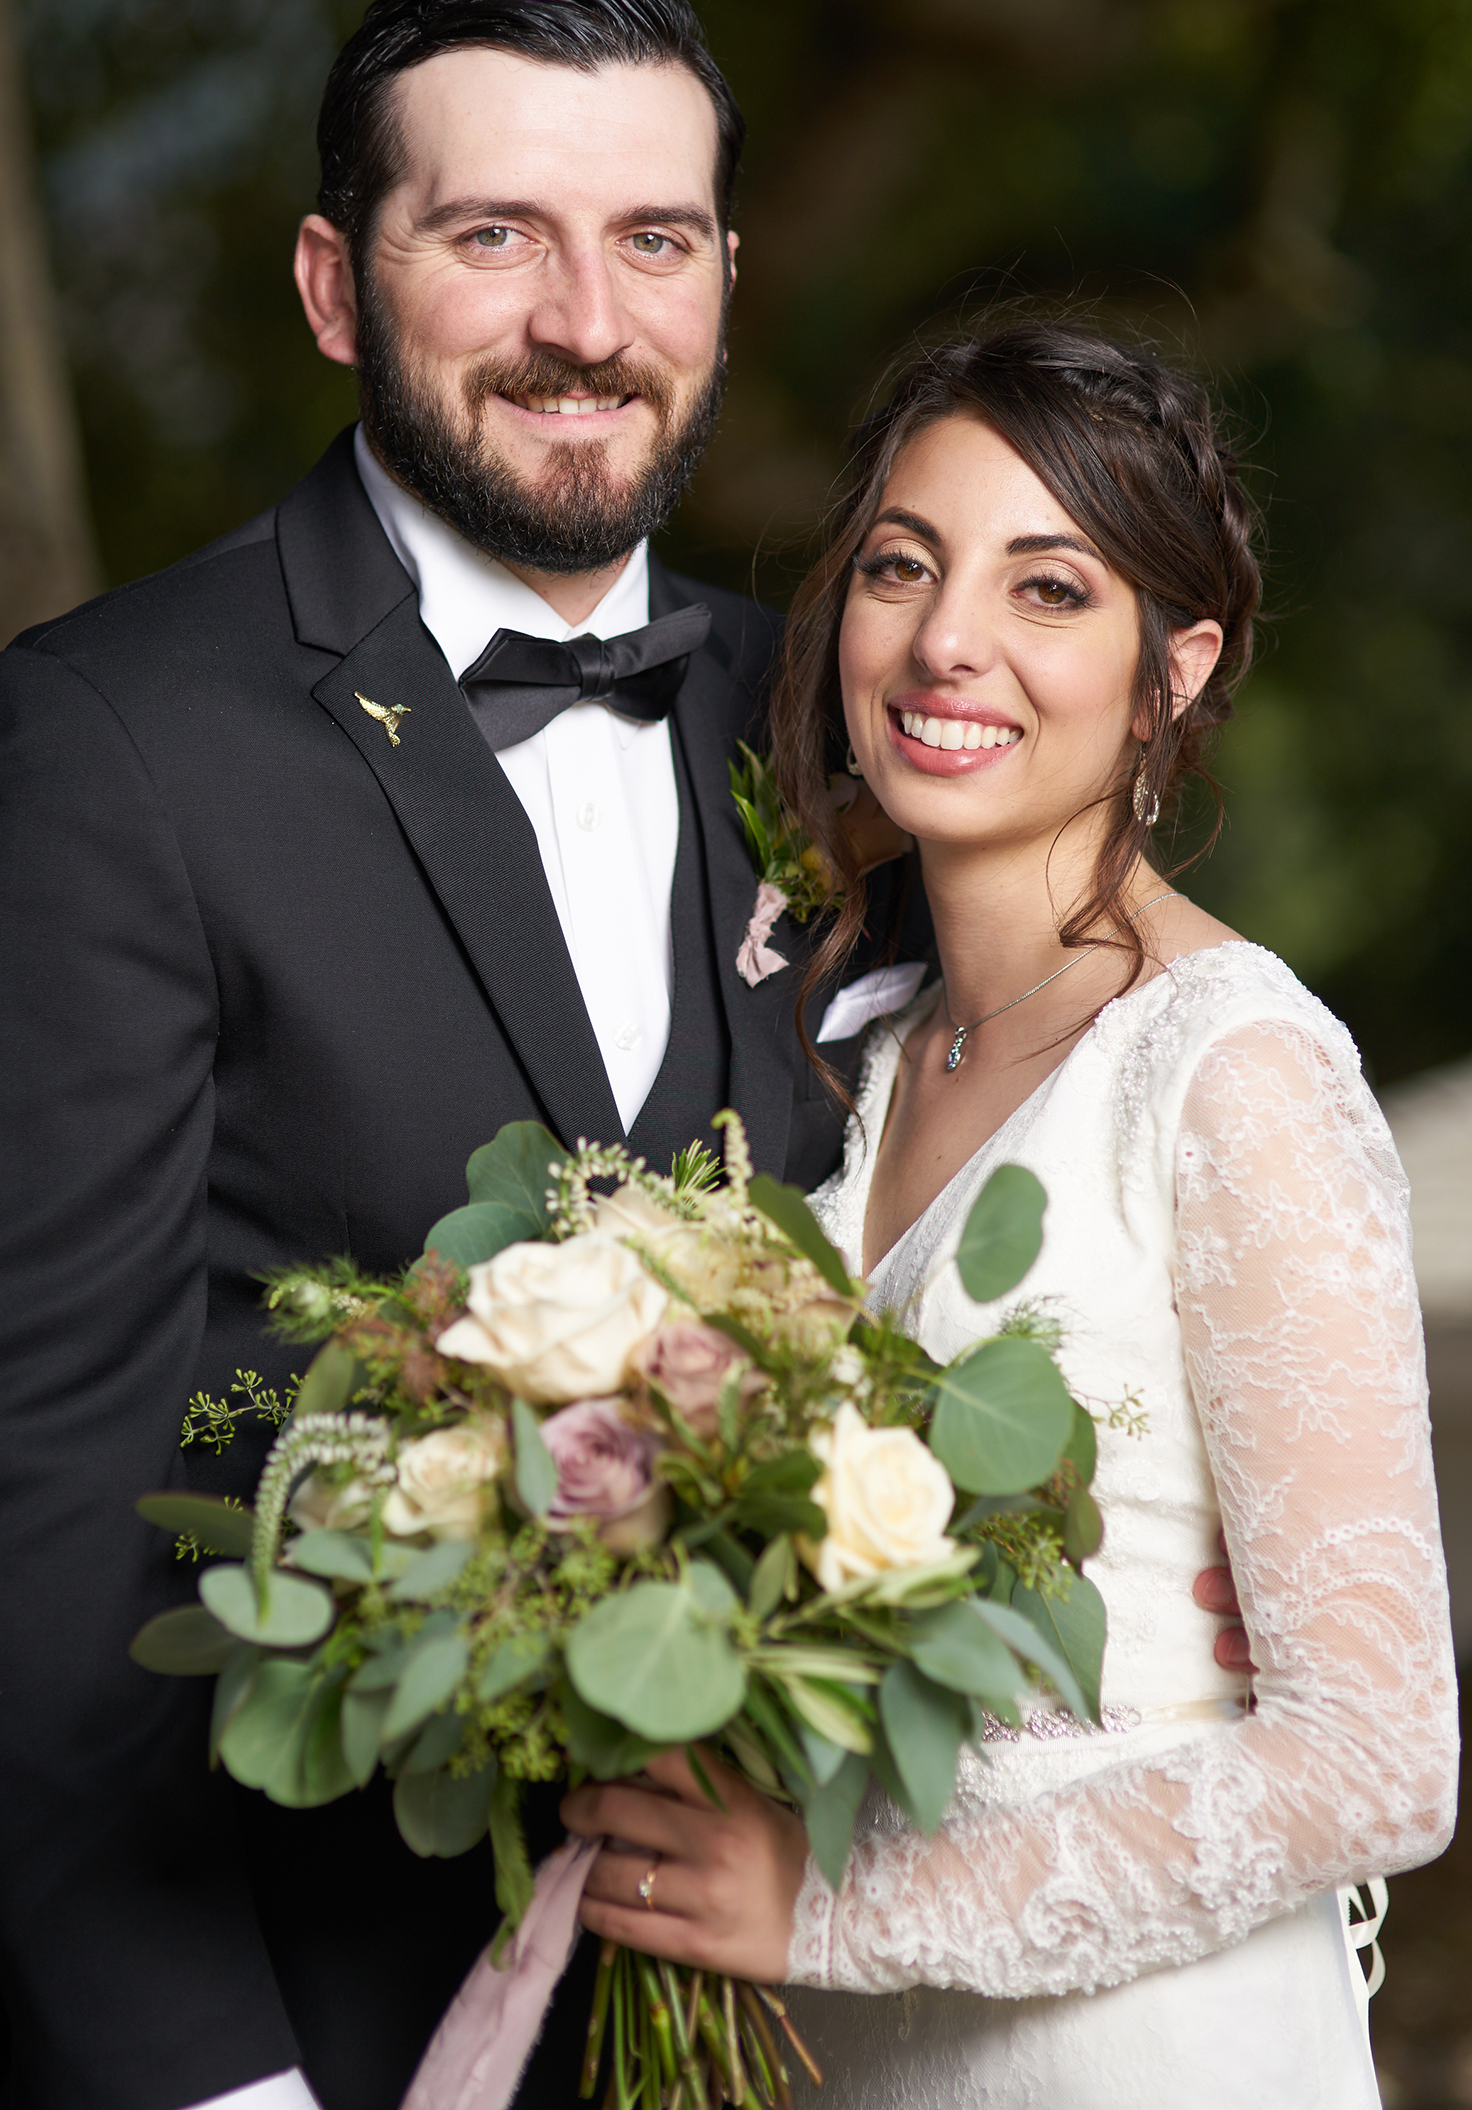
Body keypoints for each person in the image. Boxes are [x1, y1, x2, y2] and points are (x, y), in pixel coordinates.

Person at [0, 0, 926, 2110]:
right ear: (333, 282)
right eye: (494, 235)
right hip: (297, 2022)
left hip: (774, 2020)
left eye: (652, 240)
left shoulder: (841, 722)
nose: (587, 322)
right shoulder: (105, 736)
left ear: (725, 280)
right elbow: (31, 1498)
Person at [560, 321, 1459, 2107]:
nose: (946, 640)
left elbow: (1381, 1762)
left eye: (1050, 590)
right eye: (903, 565)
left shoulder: (1236, 1073)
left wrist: (831, 1911)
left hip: (1139, 2056)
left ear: (1173, 671)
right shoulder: (875, 1049)